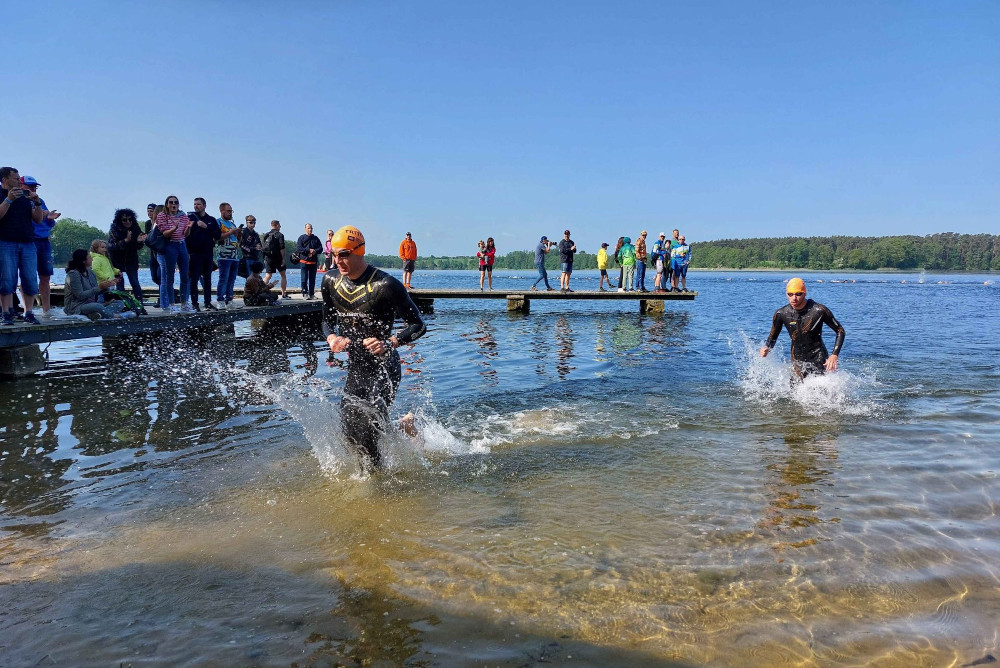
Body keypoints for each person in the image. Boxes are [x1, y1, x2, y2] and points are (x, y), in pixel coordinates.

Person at [321, 225, 427, 473]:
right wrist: (331, 337)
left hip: (384, 367)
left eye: (345, 254)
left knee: (369, 432)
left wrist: (390, 342)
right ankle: (404, 426)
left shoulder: (386, 284)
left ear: (360, 251)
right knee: (349, 431)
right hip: (357, 367)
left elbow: (418, 325)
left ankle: (377, 486)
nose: (339, 260)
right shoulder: (330, 280)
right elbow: (325, 319)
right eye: (336, 254)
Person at [759, 278, 846, 380]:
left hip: (818, 356)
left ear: (805, 293)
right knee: (795, 391)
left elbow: (840, 331)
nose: (794, 298)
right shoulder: (781, 313)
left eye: (798, 294)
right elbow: (773, 337)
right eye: (790, 294)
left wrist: (834, 355)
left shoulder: (819, 310)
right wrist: (767, 347)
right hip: (797, 358)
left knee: (819, 390)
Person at [0, 167, 45, 326]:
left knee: (30, 279)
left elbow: (38, 219)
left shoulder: (24, 196)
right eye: (15, 178)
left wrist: (37, 202)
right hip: (5, 242)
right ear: (4, 180)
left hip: (27, 242)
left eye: (19, 178)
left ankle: (29, 313)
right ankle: (6, 313)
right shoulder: (1, 194)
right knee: (6, 279)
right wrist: (8, 199)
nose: (19, 181)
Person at [24, 176, 62, 318]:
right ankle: (27, 310)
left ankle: (47, 310)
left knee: (45, 276)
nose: (33, 189)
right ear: (21, 185)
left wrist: (50, 218)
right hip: (30, 240)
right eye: (30, 186)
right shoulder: (21, 201)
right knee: (28, 276)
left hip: (44, 242)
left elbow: (45, 222)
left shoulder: (40, 201)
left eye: (35, 186)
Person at [63, 249, 133, 320]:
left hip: (92, 304)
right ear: (83, 261)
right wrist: (99, 287)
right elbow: (80, 295)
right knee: (97, 306)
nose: (92, 259)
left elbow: (96, 291)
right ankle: (117, 316)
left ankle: (95, 314)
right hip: (77, 306)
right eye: (89, 257)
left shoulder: (90, 272)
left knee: (119, 303)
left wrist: (106, 286)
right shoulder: (73, 274)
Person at [155, 195, 193, 313]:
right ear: (167, 204)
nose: (173, 204)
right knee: (169, 276)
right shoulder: (162, 216)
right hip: (170, 245)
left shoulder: (183, 216)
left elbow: (185, 234)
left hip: (182, 245)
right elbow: (165, 234)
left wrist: (189, 228)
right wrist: (174, 228)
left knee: (185, 276)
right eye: (171, 202)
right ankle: (171, 304)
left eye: (176, 202)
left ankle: (184, 303)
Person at [186, 197, 221, 311]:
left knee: (207, 279)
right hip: (194, 253)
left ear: (204, 206)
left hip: (207, 253)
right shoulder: (189, 219)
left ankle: (207, 302)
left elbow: (218, 235)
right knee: (194, 278)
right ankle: (195, 303)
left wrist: (206, 227)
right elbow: (184, 235)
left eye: (199, 204)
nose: (196, 206)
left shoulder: (211, 219)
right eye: (195, 204)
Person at [107, 208, 145, 302]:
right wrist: (125, 241)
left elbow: (138, 246)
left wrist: (139, 242)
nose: (128, 222)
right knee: (120, 283)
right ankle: (122, 304)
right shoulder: (114, 228)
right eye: (124, 220)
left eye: (130, 219)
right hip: (116, 260)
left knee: (135, 282)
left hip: (131, 259)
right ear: (120, 220)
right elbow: (111, 246)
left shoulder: (135, 228)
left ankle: (140, 304)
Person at [216, 202, 241, 308]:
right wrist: (230, 232)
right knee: (224, 278)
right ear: (222, 211)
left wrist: (238, 234)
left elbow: (237, 240)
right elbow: (217, 237)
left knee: (232, 279)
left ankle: (229, 299)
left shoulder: (232, 224)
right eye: (228, 211)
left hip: (234, 256)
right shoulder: (218, 222)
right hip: (223, 256)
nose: (230, 213)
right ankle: (220, 300)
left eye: (231, 211)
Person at [261, 220, 289, 298]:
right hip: (278, 257)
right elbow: (282, 248)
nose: (280, 227)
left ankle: (260, 290)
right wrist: (283, 259)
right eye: (279, 225)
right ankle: (284, 294)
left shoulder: (266, 234)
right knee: (283, 275)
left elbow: (263, 248)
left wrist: (264, 258)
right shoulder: (280, 235)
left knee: (268, 276)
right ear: (276, 225)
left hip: (268, 258)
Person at [296, 223, 323, 299]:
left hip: (313, 262)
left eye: (311, 228)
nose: (310, 229)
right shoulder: (301, 238)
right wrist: (308, 250)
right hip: (304, 261)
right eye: (308, 228)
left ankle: (311, 294)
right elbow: (299, 248)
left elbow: (321, 248)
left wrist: (314, 251)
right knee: (304, 279)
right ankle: (305, 293)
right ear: (305, 229)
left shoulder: (316, 238)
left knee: (312, 279)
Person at [144, 203, 161, 285]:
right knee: (154, 277)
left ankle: (165, 294)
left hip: (160, 252)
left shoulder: (159, 223)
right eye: (148, 211)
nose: (149, 213)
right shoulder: (147, 223)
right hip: (152, 254)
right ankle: (171, 291)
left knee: (160, 276)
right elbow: (148, 239)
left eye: (151, 211)